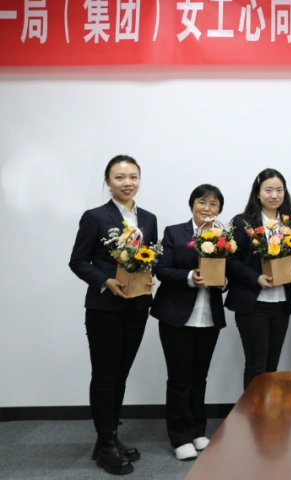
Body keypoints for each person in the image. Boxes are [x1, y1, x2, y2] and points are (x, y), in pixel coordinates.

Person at [69, 154, 157, 475]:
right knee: (105, 376)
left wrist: (149, 275)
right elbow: (78, 261)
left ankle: (108, 438)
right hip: (105, 308)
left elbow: (149, 257)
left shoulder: (149, 219)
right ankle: (106, 444)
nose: (127, 183)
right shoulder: (95, 217)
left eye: (133, 176)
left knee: (121, 374)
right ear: (108, 182)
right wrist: (105, 281)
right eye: (119, 177)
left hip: (137, 306)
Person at [151, 184, 228, 461]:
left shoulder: (224, 237)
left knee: (199, 377)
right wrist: (189, 277)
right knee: (180, 378)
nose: (207, 208)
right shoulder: (174, 232)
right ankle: (180, 436)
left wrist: (223, 280)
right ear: (192, 204)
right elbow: (160, 269)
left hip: (208, 317)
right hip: (176, 316)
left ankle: (198, 430)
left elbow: (227, 273)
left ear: (219, 209)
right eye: (202, 202)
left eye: (213, 204)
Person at [226, 169, 291, 390]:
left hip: (281, 304)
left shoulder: (290, 224)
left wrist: (286, 273)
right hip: (253, 304)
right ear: (258, 194)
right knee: (256, 366)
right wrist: (256, 277)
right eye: (268, 190)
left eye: (279, 190)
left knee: (271, 366)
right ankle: (253, 411)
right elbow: (230, 260)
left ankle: (269, 410)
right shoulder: (243, 222)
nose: (274, 195)